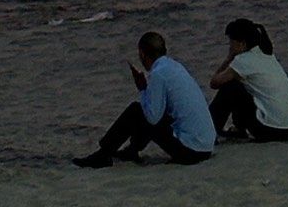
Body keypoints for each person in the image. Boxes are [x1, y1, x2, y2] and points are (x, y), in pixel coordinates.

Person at [74, 30, 216, 166]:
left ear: (142, 54)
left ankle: (103, 154)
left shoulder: (158, 74)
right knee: (146, 110)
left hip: (191, 151)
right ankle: (131, 150)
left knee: (136, 111)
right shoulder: (175, 66)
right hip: (205, 146)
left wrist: (143, 89)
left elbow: (152, 118)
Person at [209, 16, 288, 142]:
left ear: (242, 43)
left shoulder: (244, 60)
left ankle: (209, 131)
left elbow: (214, 82)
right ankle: (238, 129)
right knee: (241, 87)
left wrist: (229, 57)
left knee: (231, 87)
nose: (230, 45)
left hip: (273, 130)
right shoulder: (267, 56)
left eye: (231, 42)